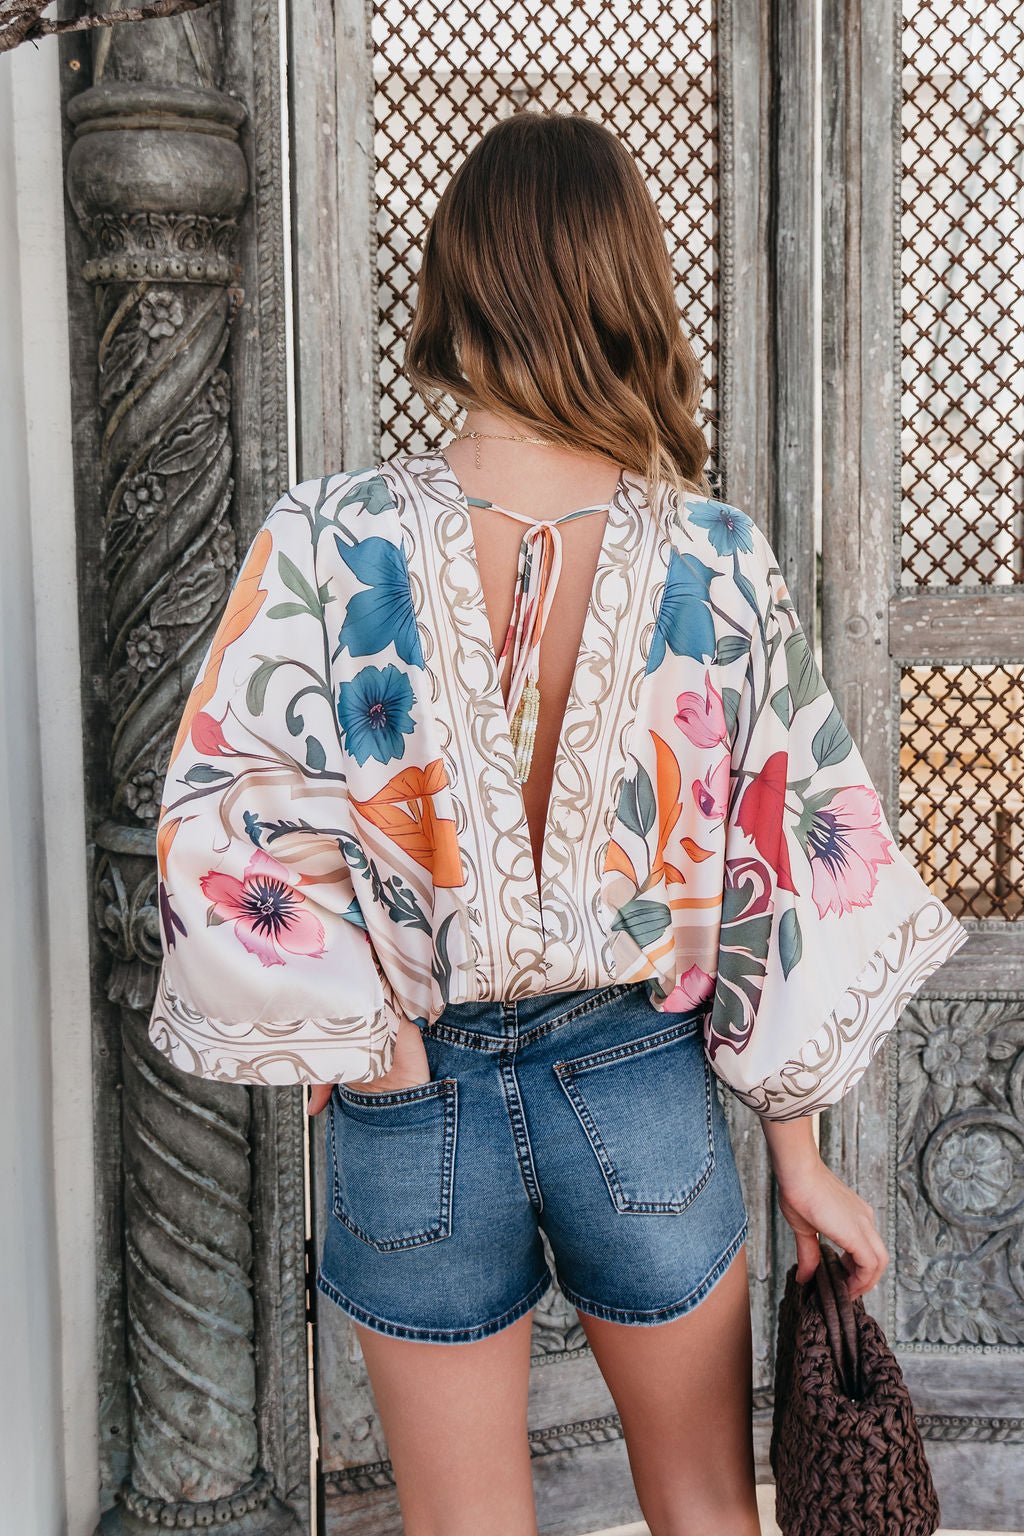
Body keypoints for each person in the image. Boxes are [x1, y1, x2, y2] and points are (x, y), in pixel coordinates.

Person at [148, 111, 968, 1536]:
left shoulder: (324, 539)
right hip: (636, 1084)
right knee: (707, 1510)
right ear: (626, 287)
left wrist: (370, 1039)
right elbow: (780, 860)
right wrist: (800, 1161)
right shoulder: (715, 554)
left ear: (454, 286)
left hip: (415, 1098)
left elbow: (228, 820)